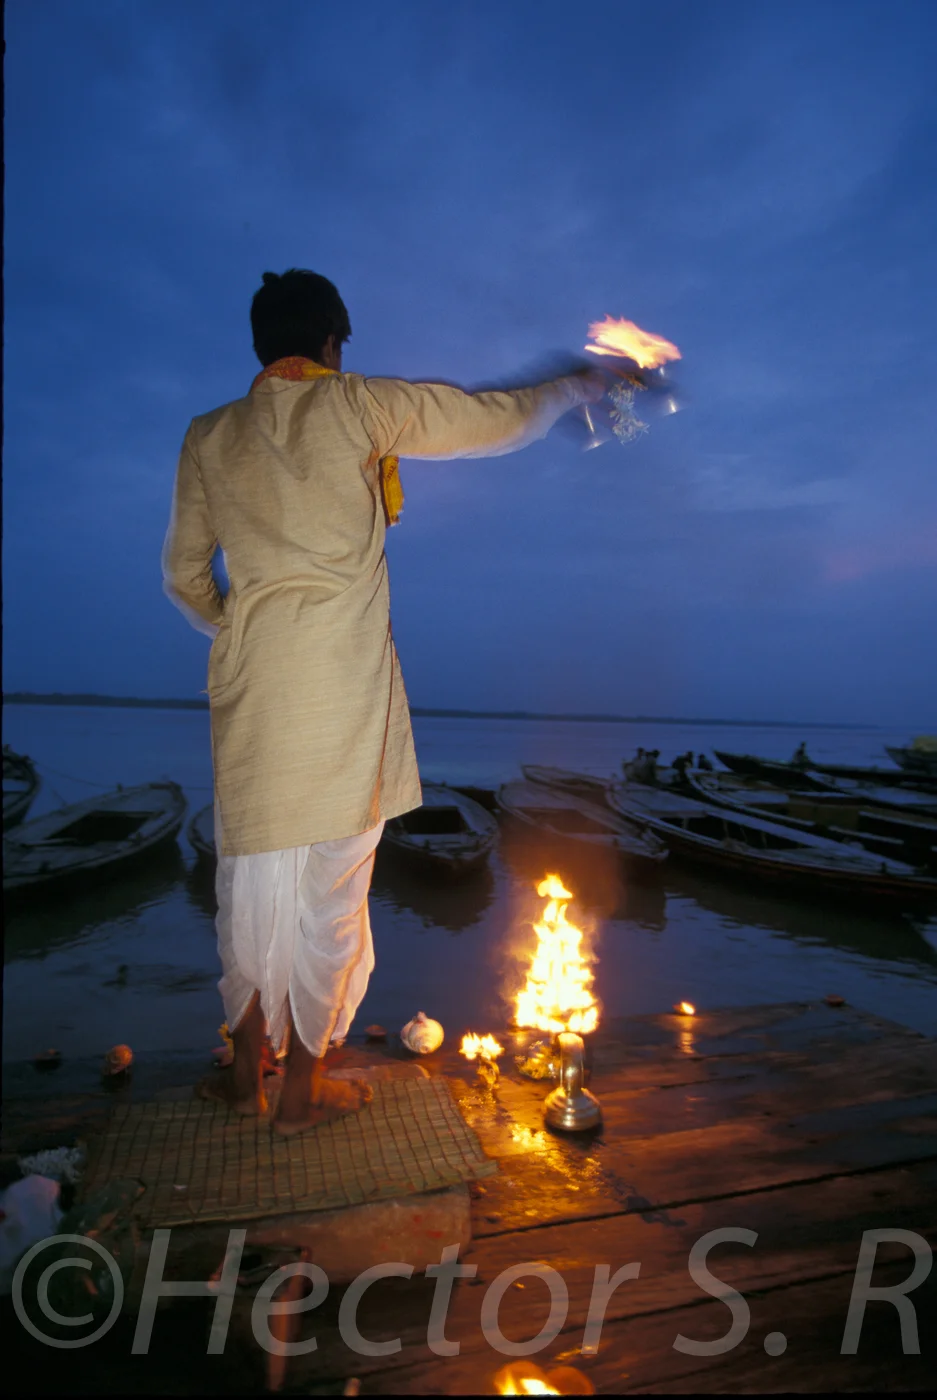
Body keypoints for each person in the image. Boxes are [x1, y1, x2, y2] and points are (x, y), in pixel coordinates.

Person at [162, 268, 604, 1135]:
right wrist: (574, 386)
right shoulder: (360, 405)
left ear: (261, 346)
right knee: (331, 896)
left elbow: (181, 575)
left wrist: (242, 629)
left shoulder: (208, 434)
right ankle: (302, 1095)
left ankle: (246, 1073)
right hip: (343, 686)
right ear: (332, 346)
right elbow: (498, 421)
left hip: (254, 686)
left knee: (247, 885)